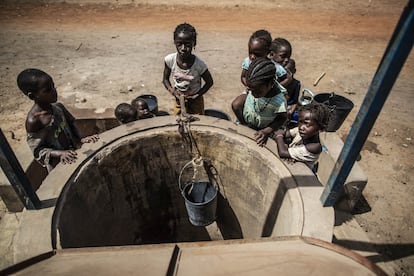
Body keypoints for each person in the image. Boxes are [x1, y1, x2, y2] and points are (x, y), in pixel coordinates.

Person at [17, 68, 99, 172]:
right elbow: (38, 151)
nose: (54, 91)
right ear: (32, 96)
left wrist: (82, 139)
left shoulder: (58, 108)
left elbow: (72, 124)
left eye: (53, 86)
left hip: (75, 155)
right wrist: (60, 153)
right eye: (47, 90)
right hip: (60, 166)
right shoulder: (34, 122)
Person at [232, 57, 287, 147]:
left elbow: (282, 118)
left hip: (263, 130)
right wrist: (244, 124)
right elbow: (236, 105)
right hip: (247, 123)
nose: (253, 94)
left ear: (270, 84)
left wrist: (267, 131)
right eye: (250, 90)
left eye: (257, 92)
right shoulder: (255, 87)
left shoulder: (279, 101)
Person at [162, 22, 213, 115]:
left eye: (188, 44)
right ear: (174, 42)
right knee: (178, 121)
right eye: (179, 44)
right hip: (178, 100)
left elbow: (209, 82)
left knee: (198, 123)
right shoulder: (170, 60)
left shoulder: (199, 65)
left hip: (196, 101)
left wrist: (197, 95)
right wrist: (173, 92)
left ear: (194, 43)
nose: (183, 48)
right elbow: (165, 79)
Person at [274, 102, 330, 169]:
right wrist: (285, 146)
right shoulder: (302, 132)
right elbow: (283, 133)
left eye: (307, 124)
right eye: (300, 122)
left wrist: (279, 138)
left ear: (320, 127)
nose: (301, 127)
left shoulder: (314, 147)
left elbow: (282, 153)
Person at [284, 59, 301, 123]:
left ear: (294, 71)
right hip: (278, 107)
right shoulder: (278, 84)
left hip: (289, 107)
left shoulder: (296, 84)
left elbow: (295, 101)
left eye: (288, 72)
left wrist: (290, 112)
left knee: (298, 116)